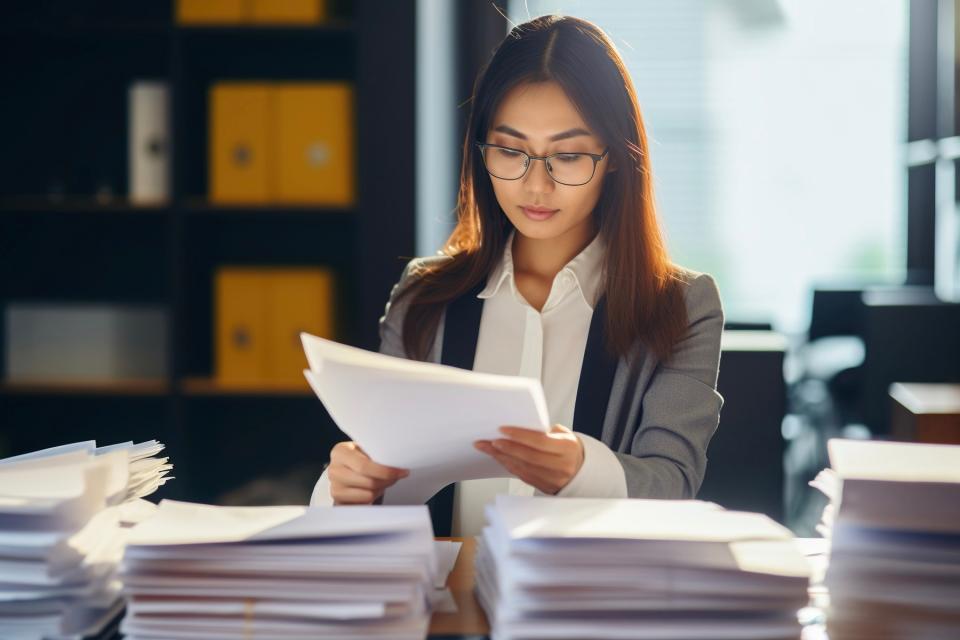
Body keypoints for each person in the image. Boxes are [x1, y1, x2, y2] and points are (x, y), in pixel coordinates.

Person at [310, 14, 725, 537]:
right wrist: (344, 486)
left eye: (568, 156)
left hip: (588, 605)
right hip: (445, 606)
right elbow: (379, 477)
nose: (535, 186)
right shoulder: (424, 295)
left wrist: (579, 469)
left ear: (616, 156)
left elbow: (674, 482)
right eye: (510, 151)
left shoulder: (682, 306)